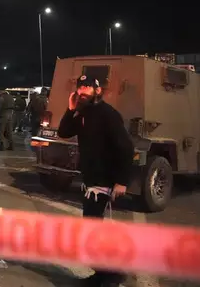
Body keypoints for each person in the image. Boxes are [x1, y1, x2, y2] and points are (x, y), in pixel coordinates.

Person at [58, 75, 134, 287]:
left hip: (103, 182)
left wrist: (121, 181)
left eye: (87, 88)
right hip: (90, 181)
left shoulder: (108, 114)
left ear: (98, 91)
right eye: (80, 88)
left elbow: (126, 148)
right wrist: (71, 109)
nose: (82, 91)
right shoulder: (83, 112)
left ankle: (112, 275)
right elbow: (64, 132)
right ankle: (102, 274)